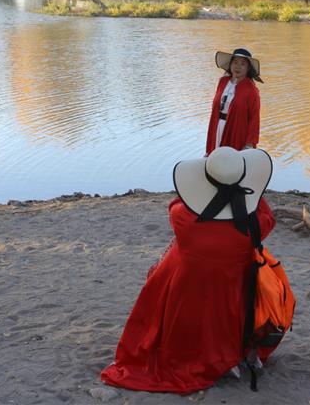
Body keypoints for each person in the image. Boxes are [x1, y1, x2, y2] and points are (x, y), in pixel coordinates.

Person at [101, 147, 277, 394]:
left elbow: (177, 203)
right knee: (237, 275)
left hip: (188, 288)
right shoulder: (256, 222)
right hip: (234, 287)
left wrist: (202, 190)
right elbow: (265, 213)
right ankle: (235, 353)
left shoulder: (183, 217)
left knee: (171, 267)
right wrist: (251, 193)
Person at [206, 48, 262, 155]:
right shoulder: (222, 82)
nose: (238, 66)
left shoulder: (251, 90)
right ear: (230, 64)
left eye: (242, 64)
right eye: (235, 62)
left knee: (230, 161)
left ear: (248, 68)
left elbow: (254, 118)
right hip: (218, 127)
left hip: (237, 130)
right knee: (216, 158)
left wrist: (250, 143)